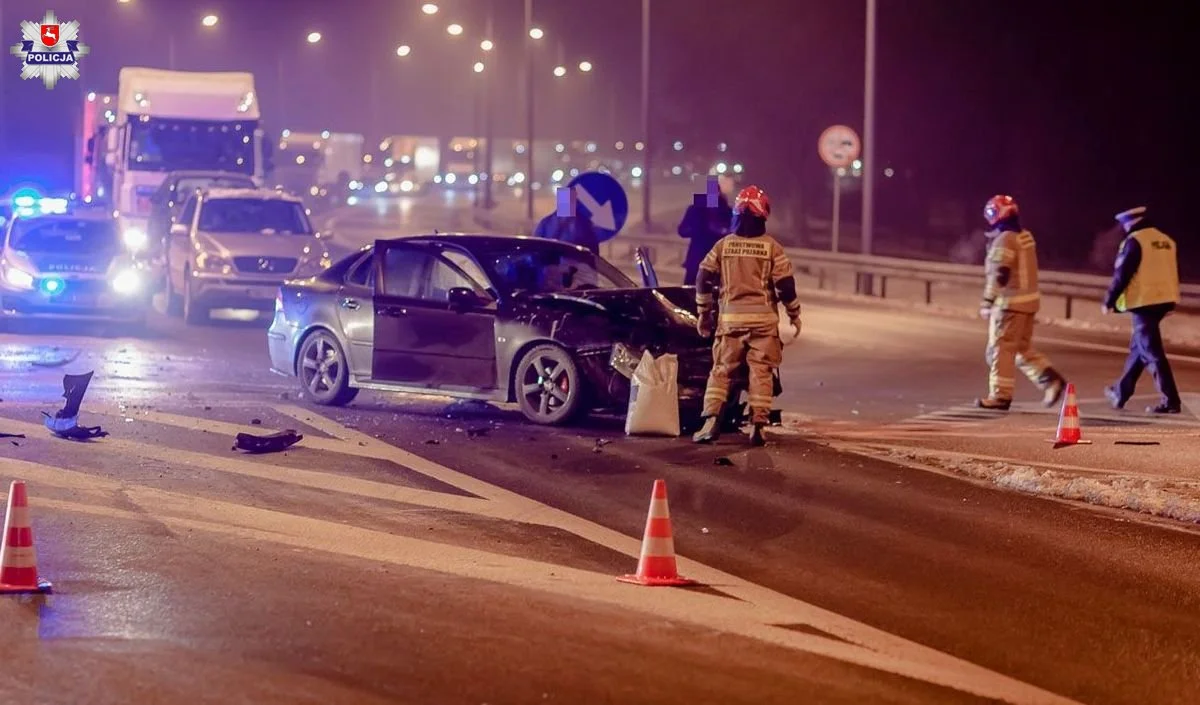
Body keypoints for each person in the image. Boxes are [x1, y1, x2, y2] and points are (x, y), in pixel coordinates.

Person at [692, 185, 801, 446]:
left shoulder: (723, 246)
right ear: (764, 214)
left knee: (721, 371)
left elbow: (703, 278)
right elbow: (786, 285)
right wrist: (794, 313)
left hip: (730, 323)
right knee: (761, 372)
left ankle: (710, 422)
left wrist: (703, 313)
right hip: (764, 324)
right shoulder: (772, 248)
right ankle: (758, 425)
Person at [976, 195, 1066, 410]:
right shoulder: (1025, 236)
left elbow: (1000, 273)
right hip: (1029, 303)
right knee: (1021, 349)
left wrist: (987, 302)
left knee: (1000, 350)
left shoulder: (1004, 239)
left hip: (1010, 304)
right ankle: (1050, 380)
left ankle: (1000, 396)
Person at [1102, 206, 1181, 414]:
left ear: (1129, 222)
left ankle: (1170, 400)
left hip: (1144, 302)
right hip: (1164, 300)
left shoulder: (1135, 241)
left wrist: (1109, 300)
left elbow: (1123, 274)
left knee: (1152, 352)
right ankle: (1121, 392)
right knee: (1139, 348)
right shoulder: (1165, 240)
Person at [678, 175, 734, 285]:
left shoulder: (724, 210)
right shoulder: (695, 210)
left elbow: (733, 231)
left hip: (713, 260)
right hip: (700, 260)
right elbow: (682, 230)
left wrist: (719, 230)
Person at [535, 206, 599, 254]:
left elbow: (593, 250)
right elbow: (536, 246)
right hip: (552, 266)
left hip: (577, 266)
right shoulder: (546, 223)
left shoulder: (584, 223)